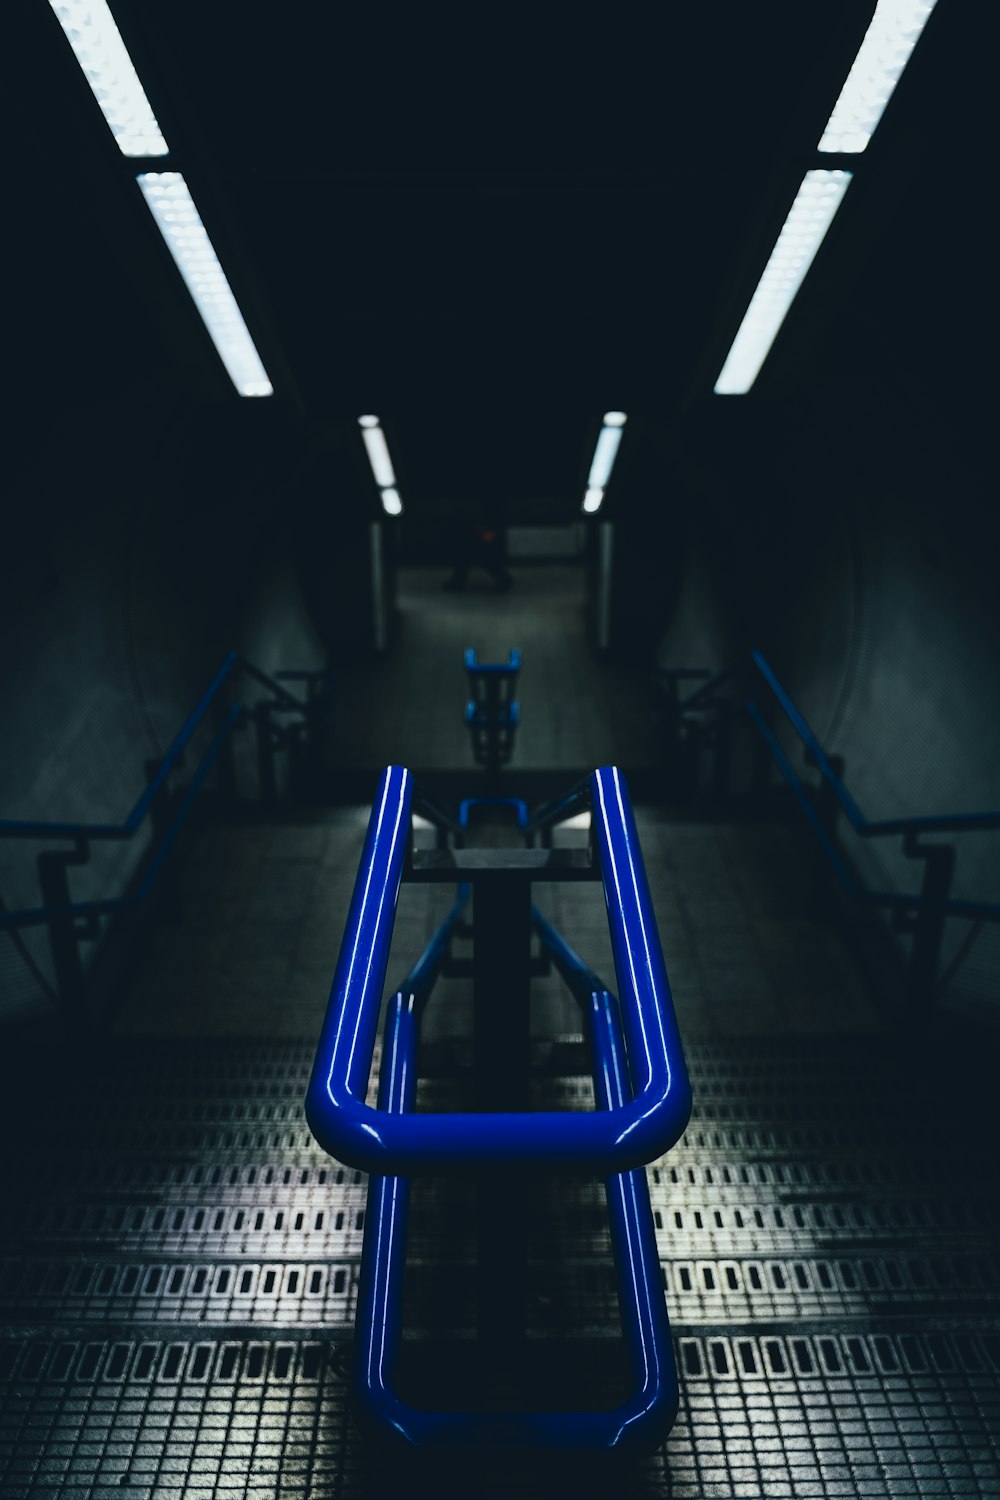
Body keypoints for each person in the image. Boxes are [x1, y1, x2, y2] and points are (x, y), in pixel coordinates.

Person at [443, 519, 513, 592]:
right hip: (480, 530)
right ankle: (503, 578)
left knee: (471, 552)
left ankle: (503, 579)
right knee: (467, 551)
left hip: (483, 531)